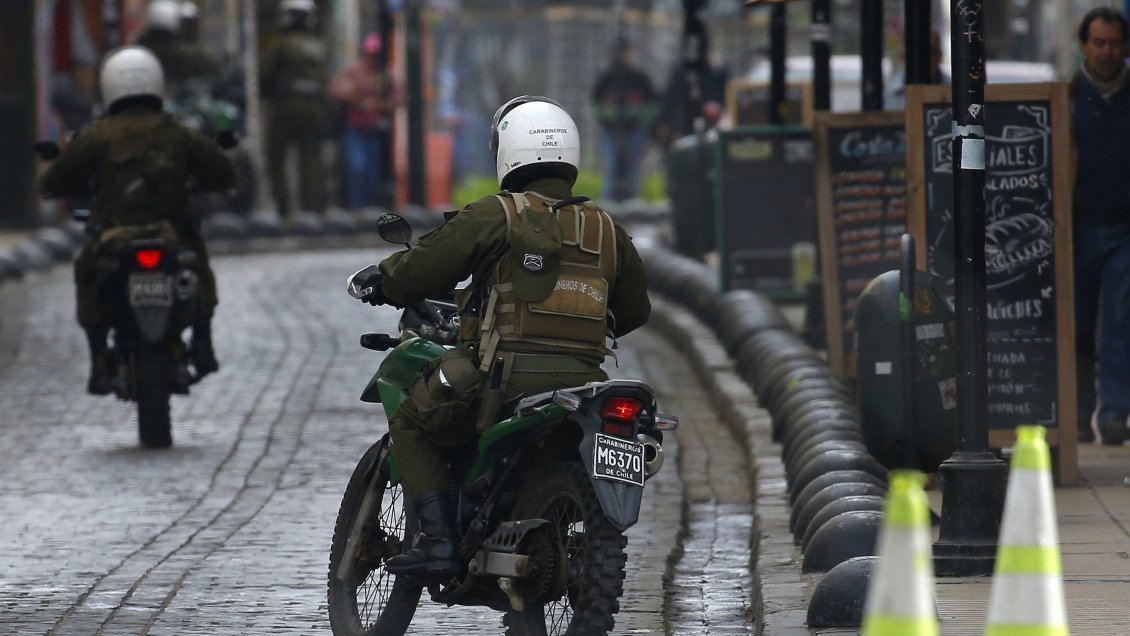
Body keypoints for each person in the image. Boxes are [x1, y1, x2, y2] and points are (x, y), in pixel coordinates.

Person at [356, 96, 651, 574]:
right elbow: (635, 311)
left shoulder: (499, 214)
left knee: (413, 417)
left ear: (508, 150)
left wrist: (384, 280)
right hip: (584, 385)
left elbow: (426, 265)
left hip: (503, 379)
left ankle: (438, 543)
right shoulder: (607, 229)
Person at [38, 46, 236, 394]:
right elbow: (223, 172)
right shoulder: (178, 131)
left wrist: (53, 183)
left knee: (87, 272)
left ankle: (99, 358)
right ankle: (203, 345)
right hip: (174, 236)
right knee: (200, 271)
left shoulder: (98, 135)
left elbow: (56, 180)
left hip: (116, 238)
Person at [1071, 7, 1130, 445]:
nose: (1107, 51)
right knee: (1075, 321)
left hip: (1125, 227)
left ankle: (1114, 412)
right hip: (1076, 228)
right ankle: (1075, 414)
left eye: (1114, 43)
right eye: (1099, 42)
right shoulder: (1067, 96)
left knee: (1120, 320)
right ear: (1084, 45)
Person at [259, 0, 328, 216]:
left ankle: (283, 204)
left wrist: (266, 96)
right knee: (311, 156)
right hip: (314, 109)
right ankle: (312, 206)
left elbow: (266, 76)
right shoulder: (318, 45)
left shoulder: (280, 44)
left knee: (276, 155)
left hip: (286, 108)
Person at [328, 32, 398, 209]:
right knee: (357, 167)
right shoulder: (353, 71)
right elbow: (335, 90)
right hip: (354, 128)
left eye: (376, 55)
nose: (372, 59)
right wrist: (354, 99)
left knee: (373, 172)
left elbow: (399, 98)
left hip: (374, 129)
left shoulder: (385, 74)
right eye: (370, 55)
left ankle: (370, 207)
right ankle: (356, 207)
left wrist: (378, 104)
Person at [591, 37, 659, 202]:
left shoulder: (639, 78)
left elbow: (653, 104)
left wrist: (639, 119)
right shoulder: (606, 78)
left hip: (635, 130)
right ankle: (607, 202)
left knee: (632, 167)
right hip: (610, 130)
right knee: (612, 166)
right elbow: (595, 104)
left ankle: (633, 200)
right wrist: (609, 117)